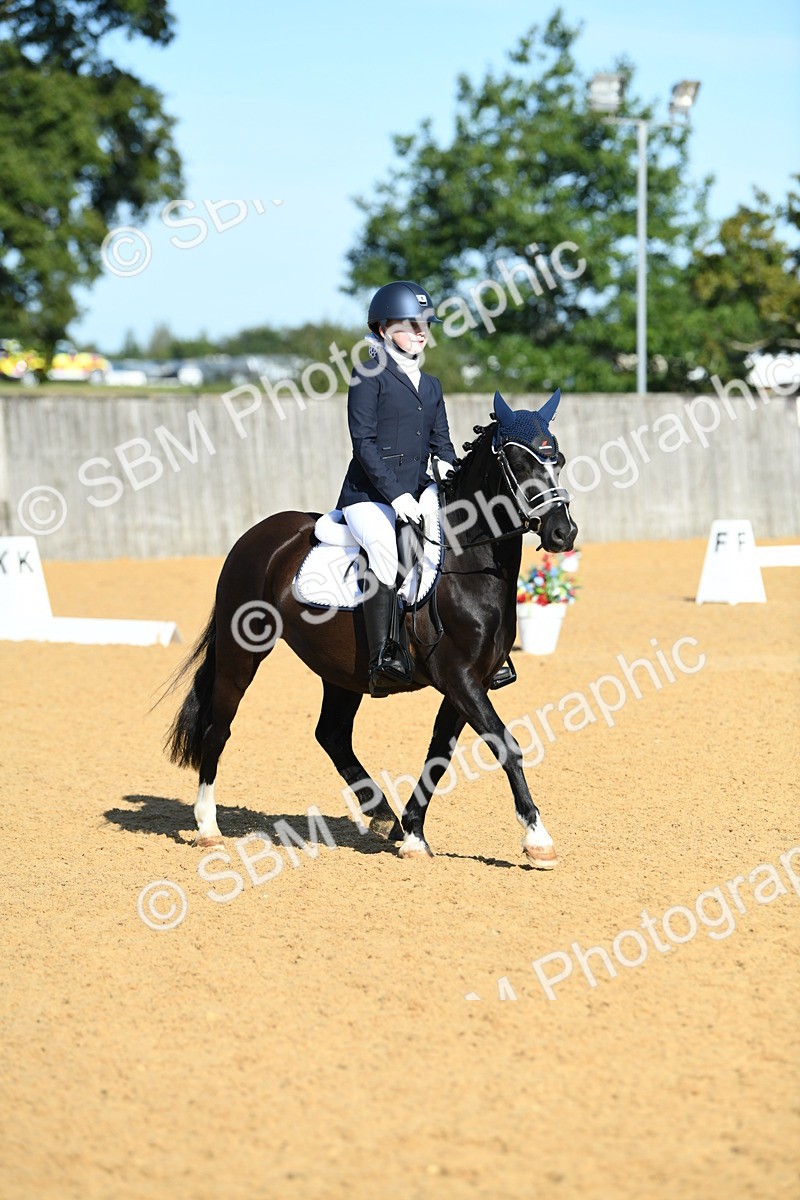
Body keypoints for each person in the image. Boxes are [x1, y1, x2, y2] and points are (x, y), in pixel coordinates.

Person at [335, 280, 457, 698]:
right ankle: (383, 658)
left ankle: (474, 648)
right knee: (386, 553)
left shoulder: (432, 384)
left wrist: (447, 467)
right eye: (412, 324)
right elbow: (363, 443)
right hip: (368, 495)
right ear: (385, 327)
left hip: (417, 490)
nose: (422, 331)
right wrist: (396, 495)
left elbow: (442, 443)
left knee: (456, 538)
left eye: (426, 324)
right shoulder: (369, 373)